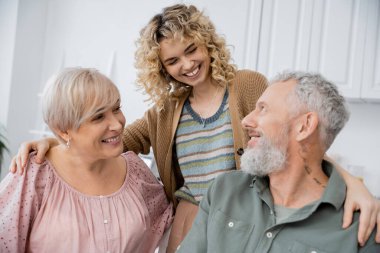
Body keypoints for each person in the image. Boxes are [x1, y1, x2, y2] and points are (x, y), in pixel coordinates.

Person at [7, 4, 380, 251]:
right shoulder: (166, 110)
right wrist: (55, 143)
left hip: (236, 214)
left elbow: (296, 139)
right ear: (162, 67)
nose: (186, 64)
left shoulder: (246, 86)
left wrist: (352, 181)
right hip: (186, 220)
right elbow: (115, 140)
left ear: (207, 43)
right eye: (173, 60)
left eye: (191, 49)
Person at [177, 71, 379, 253]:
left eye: (263, 109)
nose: (246, 120)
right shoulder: (225, 190)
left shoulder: (362, 228)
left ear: (304, 126)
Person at [0, 68, 173, 253]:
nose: (117, 124)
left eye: (116, 108)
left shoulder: (136, 171)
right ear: (63, 130)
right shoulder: (33, 174)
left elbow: (168, 222)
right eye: (98, 117)